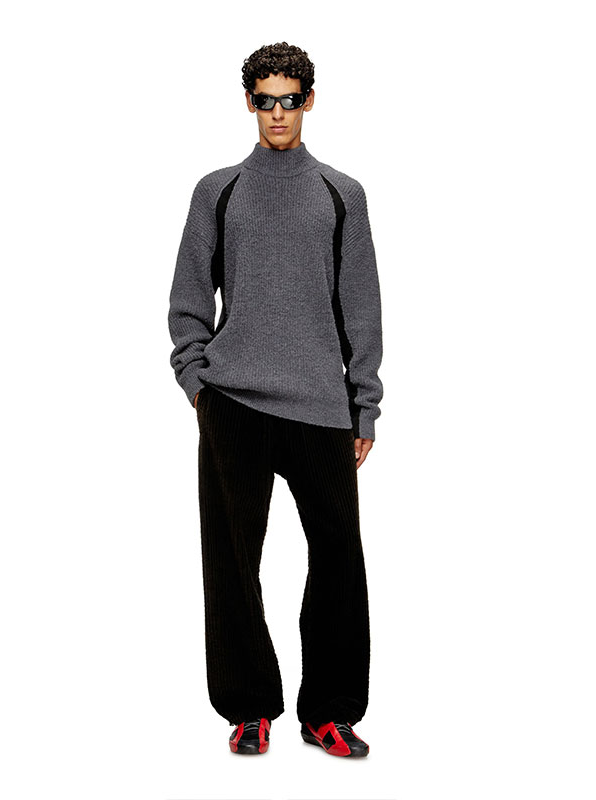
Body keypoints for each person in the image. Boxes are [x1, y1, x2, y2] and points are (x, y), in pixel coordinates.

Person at [167, 42, 383, 758]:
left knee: (339, 560)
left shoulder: (342, 193)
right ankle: (249, 708)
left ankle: (330, 713)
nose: (278, 113)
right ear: (249, 103)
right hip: (233, 404)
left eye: (290, 99)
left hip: (321, 405)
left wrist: (363, 404)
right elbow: (189, 298)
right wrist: (198, 382)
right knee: (232, 562)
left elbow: (361, 307)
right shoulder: (218, 190)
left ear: (309, 101)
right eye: (265, 101)